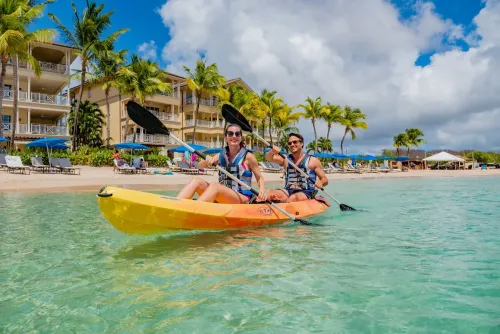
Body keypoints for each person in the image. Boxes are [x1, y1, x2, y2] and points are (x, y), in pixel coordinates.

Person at [176, 124, 266, 203]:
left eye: (237, 134)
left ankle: (195, 210)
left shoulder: (248, 156)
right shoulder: (221, 155)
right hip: (223, 195)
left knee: (215, 186)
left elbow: (259, 178)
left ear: (241, 137)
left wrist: (261, 191)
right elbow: (198, 166)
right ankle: (176, 204)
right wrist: (206, 161)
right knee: (197, 181)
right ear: (226, 137)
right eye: (230, 133)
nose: (234, 136)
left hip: (241, 197)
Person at [264, 133, 329, 203]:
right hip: (288, 190)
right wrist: (272, 152)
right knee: (269, 194)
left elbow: (324, 179)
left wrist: (321, 183)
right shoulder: (285, 159)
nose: (292, 144)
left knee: (293, 198)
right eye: (290, 143)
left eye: (295, 142)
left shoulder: (313, 161)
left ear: (302, 144)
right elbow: (269, 158)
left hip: (306, 192)